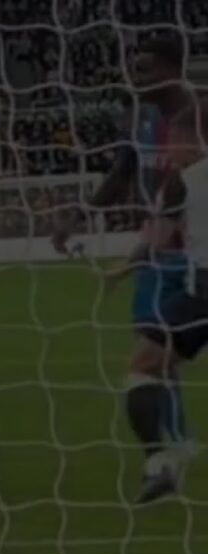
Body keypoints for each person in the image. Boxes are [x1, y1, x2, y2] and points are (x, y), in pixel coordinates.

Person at [50, 36, 194, 502]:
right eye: (135, 69)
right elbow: (121, 172)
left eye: (147, 69)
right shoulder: (137, 117)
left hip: (197, 254)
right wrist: (80, 213)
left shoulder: (197, 116)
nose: (137, 78)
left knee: (156, 354)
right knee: (149, 351)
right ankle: (170, 448)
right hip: (156, 254)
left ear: (175, 68)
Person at [122, 101, 208, 503]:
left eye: (176, 139)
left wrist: (120, 269)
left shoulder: (182, 181)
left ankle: (160, 463)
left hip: (200, 295)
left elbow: (155, 240)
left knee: (143, 368)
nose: (170, 149)